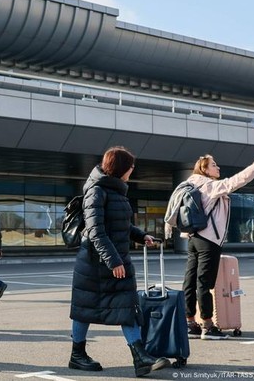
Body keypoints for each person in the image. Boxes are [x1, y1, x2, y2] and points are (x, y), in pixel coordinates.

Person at [68, 146, 169, 377]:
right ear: (121, 167)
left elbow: (120, 224)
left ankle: (140, 357)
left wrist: (141, 235)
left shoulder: (115, 191)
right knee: (85, 308)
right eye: (131, 166)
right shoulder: (97, 191)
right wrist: (113, 261)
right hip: (95, 263)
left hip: (114, 259)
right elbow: (95, 231)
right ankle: (77, 355)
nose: (133, 170)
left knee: (129, 306)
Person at [170, 154, 254, 340]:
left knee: (190, 281)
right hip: (208, 240)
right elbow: (236, 181)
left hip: (192, 238)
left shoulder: (189, 184)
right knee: (204, 282)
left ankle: (189, 322)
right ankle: (208, 326)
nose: (218, 168)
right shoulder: (209, 185)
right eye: (213, 165)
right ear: (205, 170)